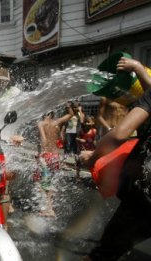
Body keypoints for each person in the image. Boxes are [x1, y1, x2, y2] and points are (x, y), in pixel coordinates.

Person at [80, 56, 151, 261]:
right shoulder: (106, 99)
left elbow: (120, 134)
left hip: (144, 200)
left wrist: (93, 158)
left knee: (103, 255)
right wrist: (138, 68)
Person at [37, 107, 73, 217]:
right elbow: (70, 114)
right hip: (55, 156)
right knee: (50, 181)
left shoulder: (41, 123)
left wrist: (41, 154)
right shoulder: (56, 122)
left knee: (43, 183)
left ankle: (49, 209)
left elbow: (44, 138)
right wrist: (68, 105)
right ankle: (51, 207)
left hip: (46, 155)